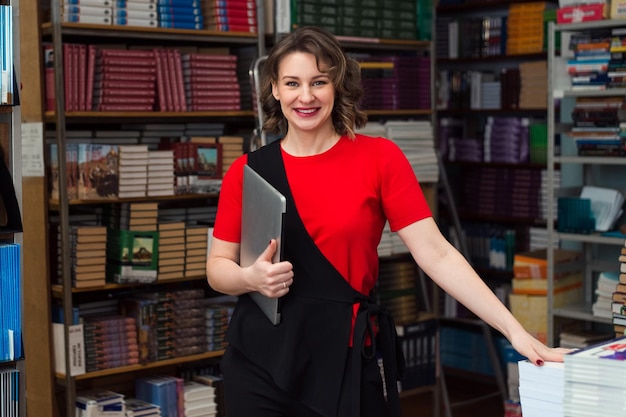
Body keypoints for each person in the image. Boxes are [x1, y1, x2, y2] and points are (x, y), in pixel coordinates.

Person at [206, 26, 570, 417]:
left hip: (342, 359)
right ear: (275, 89)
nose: (306, 96)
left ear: (337, 85)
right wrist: (250, 279)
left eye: (319, 82)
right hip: (260, 365)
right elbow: (217, 268)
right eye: (292, 83)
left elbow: (438, 256)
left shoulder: (379, 159)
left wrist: (515, 331)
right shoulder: (248, 171)